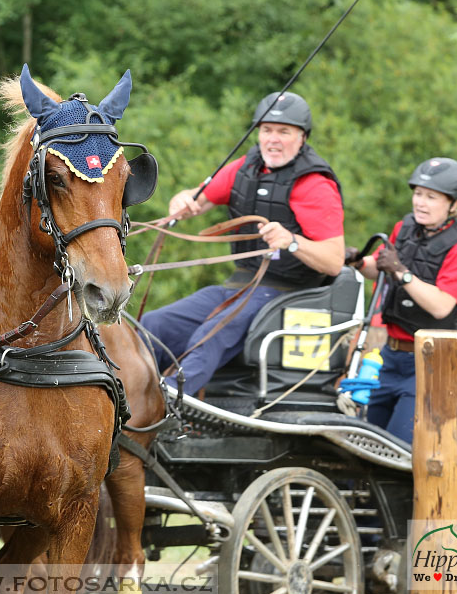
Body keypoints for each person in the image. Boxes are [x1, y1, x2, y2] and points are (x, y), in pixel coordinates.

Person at [141, 92, 345, 396]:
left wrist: (291, 241)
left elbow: (334, 261)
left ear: (302, 137)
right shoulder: (245, 167)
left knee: (211, 334)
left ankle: (169, 399)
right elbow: (198, 200)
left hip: (286, 292)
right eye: (266, 130)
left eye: (283, 132)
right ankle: (128, 393)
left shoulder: (314, 185)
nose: (273, 140)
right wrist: (183, 199)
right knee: (153, 325)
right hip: (239, 286)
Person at [347, 157, 457, 444]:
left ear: (454, 204)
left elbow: (441, 305)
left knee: (397, 450)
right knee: (364, 441)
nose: (420, 202)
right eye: (418, 193)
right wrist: (360, 262)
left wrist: (401, 271)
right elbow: (380, 266)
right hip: (389, 356)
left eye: (431, 197)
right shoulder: (405, 227)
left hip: (430, 363)